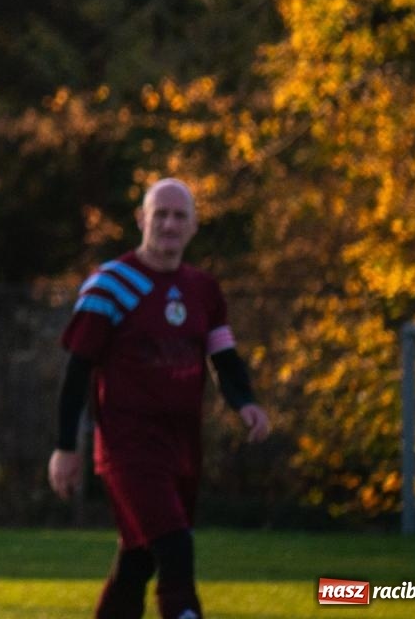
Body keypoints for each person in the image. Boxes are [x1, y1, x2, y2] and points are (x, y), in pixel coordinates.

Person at [47, 178, 270, 619]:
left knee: (139, 559)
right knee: (175, 548)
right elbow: (77, 370)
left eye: (179, 216)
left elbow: (223, 357)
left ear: (194, 226)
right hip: (128, 448)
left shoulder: (203, 290)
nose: (169, 224)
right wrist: (64, 447)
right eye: (161, 214)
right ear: (141, 219)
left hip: (183, 448)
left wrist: (245, 401)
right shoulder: (112, 284)